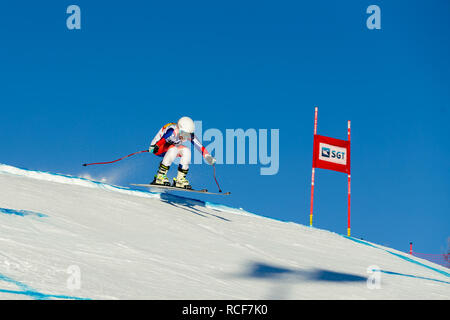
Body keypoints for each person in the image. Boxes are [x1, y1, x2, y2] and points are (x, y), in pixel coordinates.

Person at [148, 116, 216, 189]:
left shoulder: (189, 135)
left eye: (187, 134)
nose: (184, 136)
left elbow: (199, 147)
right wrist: (155, 146)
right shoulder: (172, 131)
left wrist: (207, 157)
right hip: (158, 148)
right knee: (173, 148)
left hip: (170, 149)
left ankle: (180, 180)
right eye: (183, 133)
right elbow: (162, 140)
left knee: (186, 151)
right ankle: (160, 176)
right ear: (179, 128)